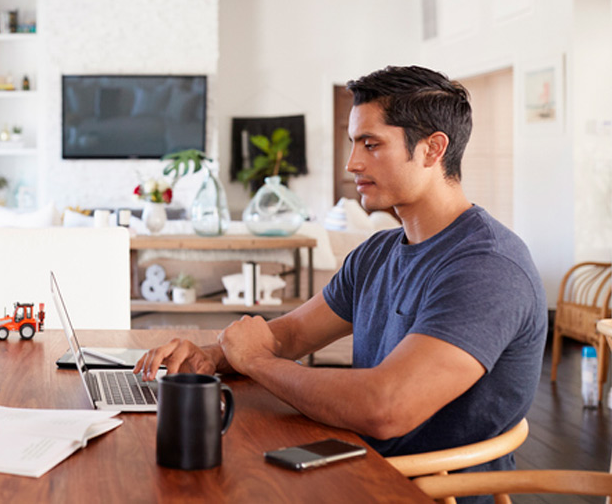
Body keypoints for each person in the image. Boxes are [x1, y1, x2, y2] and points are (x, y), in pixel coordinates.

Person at [136, 65, 546, 480]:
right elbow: (292, 334)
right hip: (358, 460)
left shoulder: (487, 267)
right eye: (353, 143)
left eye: (371, 144)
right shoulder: (377, 252)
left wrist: (257, 362)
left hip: (420, 488)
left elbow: (386, 408)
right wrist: (212, 357)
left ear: (432, 150)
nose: (352, 163)